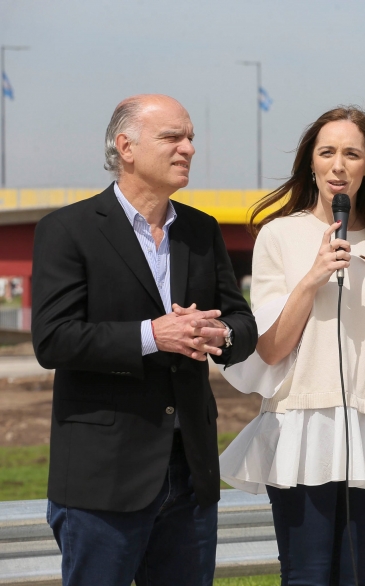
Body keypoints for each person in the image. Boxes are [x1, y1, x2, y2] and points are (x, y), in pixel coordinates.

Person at [31, 94, 258, 585]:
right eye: (173, 137)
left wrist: (218, 333)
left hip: (190, 474)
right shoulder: (66, 230)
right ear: (125, 147)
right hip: (103, 481)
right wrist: (152, 336)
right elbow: (53, 339)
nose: (189, 149)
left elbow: (242, 322)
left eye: (191, 137)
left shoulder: (201, 230)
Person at [218, 106, 365, 585]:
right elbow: (271, 349)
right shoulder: (279, 236)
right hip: (303, 426)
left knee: (359, 575)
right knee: (307, 575)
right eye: (327, 152)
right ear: (311, 164)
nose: (338, 165)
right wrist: (313, 277)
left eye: (351, 154)